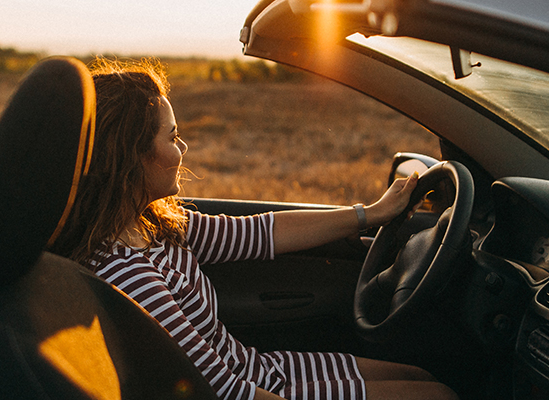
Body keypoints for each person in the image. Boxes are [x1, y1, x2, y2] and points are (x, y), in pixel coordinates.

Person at [52, 59, 459, 400]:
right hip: (254, 390)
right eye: (173, 137)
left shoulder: (153, 225)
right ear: (130, 157)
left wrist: (370, 213)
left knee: (426, 381)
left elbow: (263, 232)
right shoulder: (128, 276)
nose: (184, 148)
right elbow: (223, 392)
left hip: (263, 369)